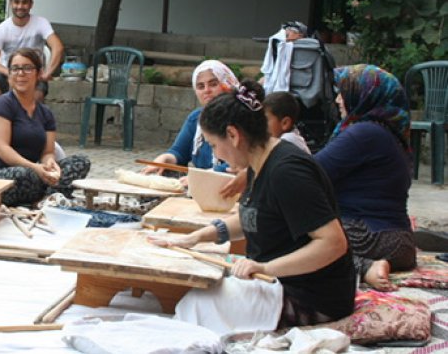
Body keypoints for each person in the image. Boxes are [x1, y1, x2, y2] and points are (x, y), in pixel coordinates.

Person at [151, 80, 355, 330]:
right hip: (274, 281)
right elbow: (254, 217)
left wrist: (265, 267)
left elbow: (333, 243)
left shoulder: (287, 172)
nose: (216, 156)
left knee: (198, 306)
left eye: (214, 145)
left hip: (310, 298)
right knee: (192, 296)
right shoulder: (257, 162)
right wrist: (196, 238)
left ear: (234, 135)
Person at [315, 64, 416, 291]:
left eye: (343, 92)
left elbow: (310, 173)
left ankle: (362, 266)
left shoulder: (364, 133)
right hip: (398, 243)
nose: (338, 99)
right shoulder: (389, 134)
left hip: (368, 236)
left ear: (364, 95)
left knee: (291, 241)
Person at [0, 48, 90, 207]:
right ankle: (50, 196)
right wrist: (36, 168)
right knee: (26, 175)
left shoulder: (45, 113)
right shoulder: (1, 105)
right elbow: (1, 149)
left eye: (27, 68)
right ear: (9, 74)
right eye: (15, 68)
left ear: (38, 73)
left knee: (80, 162)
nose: (21, 73)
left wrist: (50, 164)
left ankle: (47, 200)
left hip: (33, 173)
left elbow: (48, 152)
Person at [143, 60, 238, 174]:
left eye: (213, 84)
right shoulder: (196, 118)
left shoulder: (239, 118)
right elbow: (179, 152)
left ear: (227, 84)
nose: (206, 90)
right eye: (200, 86)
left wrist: (202, 177)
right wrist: (166, 158)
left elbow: (239, 163)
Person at [0, 0, 65, 103]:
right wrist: (11, 73)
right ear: (10, 3)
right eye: (16, 2)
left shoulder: (41, 23)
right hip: (8, 72)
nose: (20, 6)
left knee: (37, 96)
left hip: (33, 74)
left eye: (24, 2)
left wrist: (47, 72)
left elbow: (57, 47)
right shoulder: (1, 29)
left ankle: (31, 121)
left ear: (31, 4)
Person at [261, 21, 307, 94]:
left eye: (288, 33)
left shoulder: (306, 50)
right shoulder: (281, 48)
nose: (284, 34)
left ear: (300, 35)